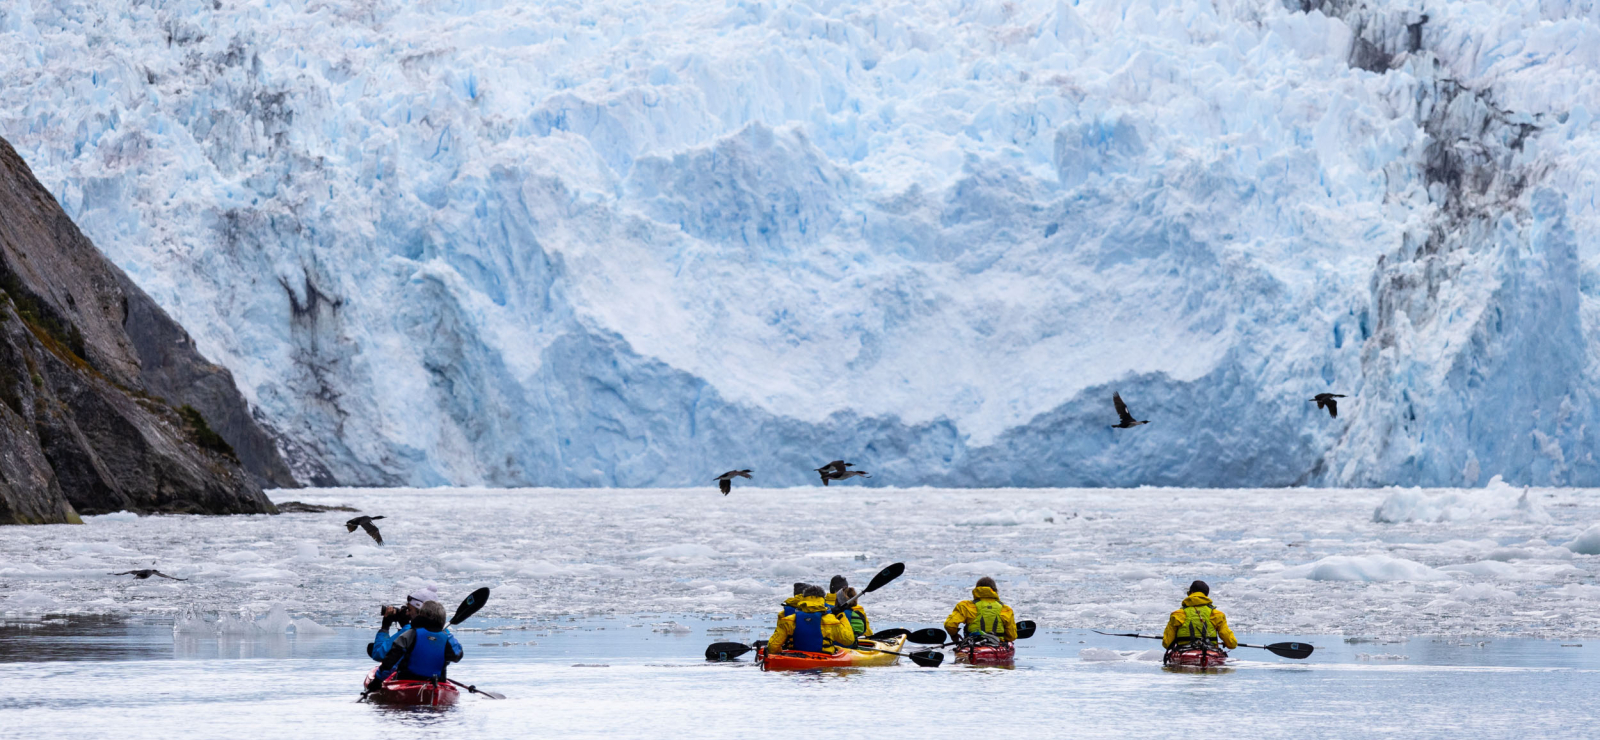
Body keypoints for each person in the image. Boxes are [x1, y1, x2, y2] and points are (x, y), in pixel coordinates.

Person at [368, 600, 463, 687]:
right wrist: (444, 636)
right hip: (436, 682)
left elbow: (391, 660)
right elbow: (457, 655)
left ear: (421, 616)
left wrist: (377, 680)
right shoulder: (447, 637)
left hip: (406, 681)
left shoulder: (410, 634)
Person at [766, 585, 854, 655]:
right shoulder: (831, 621)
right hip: (823, 663)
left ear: (803, 598)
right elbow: (848, 640)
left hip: (795, 660)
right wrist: (841, 615)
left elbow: (773, 647)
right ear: (822, 599)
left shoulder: (789, 620)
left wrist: (780, 654)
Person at [1162, 580, 1237, 651]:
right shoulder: (1217, 614)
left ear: (1191, 593)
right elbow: (1232, 644)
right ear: (1206, 595)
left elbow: (1166, 643)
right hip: (1210, 653)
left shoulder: (1177, 614)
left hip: (1183, 652)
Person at [368, 586, 437, 661]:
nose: (407, 613)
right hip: (433, 672)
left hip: (408, 672)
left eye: (410, 609)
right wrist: (405, 625)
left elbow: (378, 654)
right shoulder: (444, 633)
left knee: (371, 647)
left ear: (420, 611)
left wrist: (385, 627)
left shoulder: (409, 632)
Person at [944, 576, 1017, 644]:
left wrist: (954, 636)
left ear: (976, 589)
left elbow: (949, 625)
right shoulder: (1006, 609)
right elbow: (1012, 636)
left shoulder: (966, 606)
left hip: (972, 645)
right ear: (995, 591)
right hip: (997, 645)